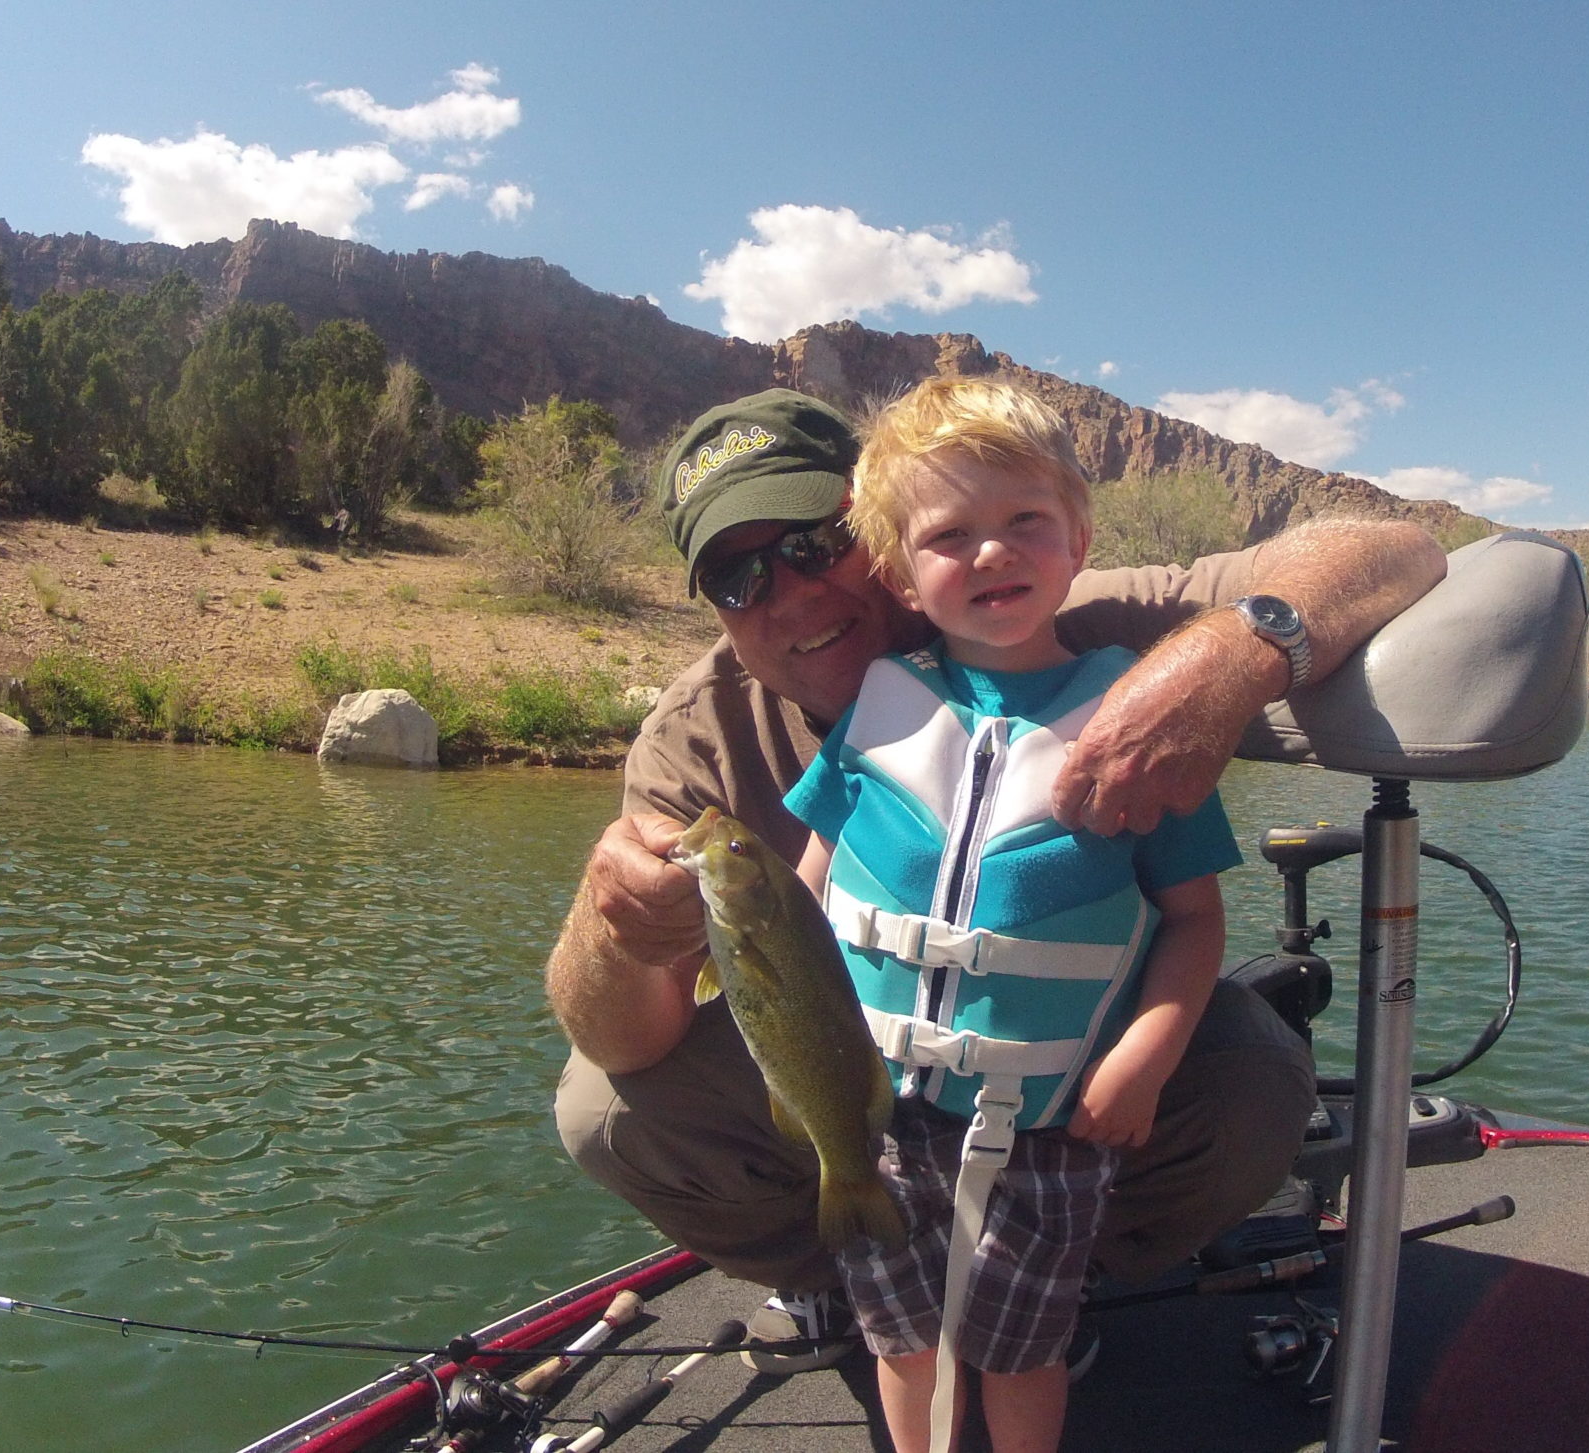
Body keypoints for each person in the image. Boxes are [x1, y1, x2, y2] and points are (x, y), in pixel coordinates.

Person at [545, 386, 1445, 1377]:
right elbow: (623, 1037)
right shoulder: (697, 734)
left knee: (1253, 1078)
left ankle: (1051, 1278)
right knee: (606, 1110)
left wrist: (1237, 653)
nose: (790, 594)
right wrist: (612, 918)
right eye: (736, 576)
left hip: (1058, 1077)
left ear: (876, 533)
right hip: (865, 1082)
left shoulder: (1034, 597)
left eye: (810, 544)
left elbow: (1396, 549)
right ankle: (853, 1271)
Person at [783, 377, 1242, 1453]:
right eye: (951, 535)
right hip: (875, 1114)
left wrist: (1148, 1056)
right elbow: (799, 899)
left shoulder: (1139, 719)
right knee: (903, 1338)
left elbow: (1193, 919)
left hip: (1046, 1129)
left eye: (1023, 522)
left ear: (1077, 538)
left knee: (1021, 1349)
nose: (992, 553)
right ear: (899, 574)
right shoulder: (878, 707)